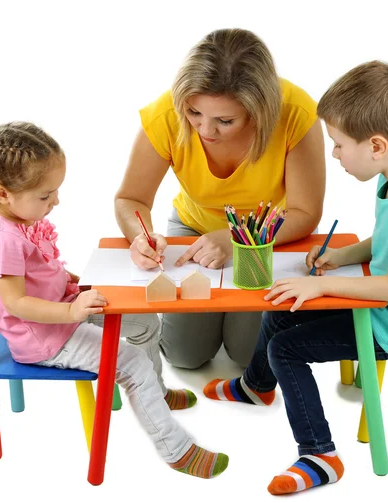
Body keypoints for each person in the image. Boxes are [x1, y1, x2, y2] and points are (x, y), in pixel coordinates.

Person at [203, 60, 388, 495]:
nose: (335, 154)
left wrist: (321, 284)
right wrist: (342, 256)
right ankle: (256, 387)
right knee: (283, 307)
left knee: (286, 348)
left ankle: (321, 455)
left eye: (339, 145)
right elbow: (385, 242)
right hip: (380, 307)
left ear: (377, 145)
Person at [0, 121, 228, 479]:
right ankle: (176, 451)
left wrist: (70, 284)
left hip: (62, 311)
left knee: (145, 323)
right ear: (2, 193)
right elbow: (16, 303)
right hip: (47, 339)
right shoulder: (3, 239)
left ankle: (158, 392)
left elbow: (34, 273)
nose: (55, 201)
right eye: (45, 195)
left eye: (55, 191)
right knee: (132, 364)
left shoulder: (16, 220)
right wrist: (72, 309)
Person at [114, 28, 326, 370]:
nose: (205, 130)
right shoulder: (165, 115)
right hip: (192, 229)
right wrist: (140, 235)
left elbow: (304, 212)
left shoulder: (295, 113)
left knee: (249, 356)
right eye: (194, 113)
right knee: (185, 356)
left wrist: (236, 240)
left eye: (224, 121)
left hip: (262, 238)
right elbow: (130, 198)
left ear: (259, 111)